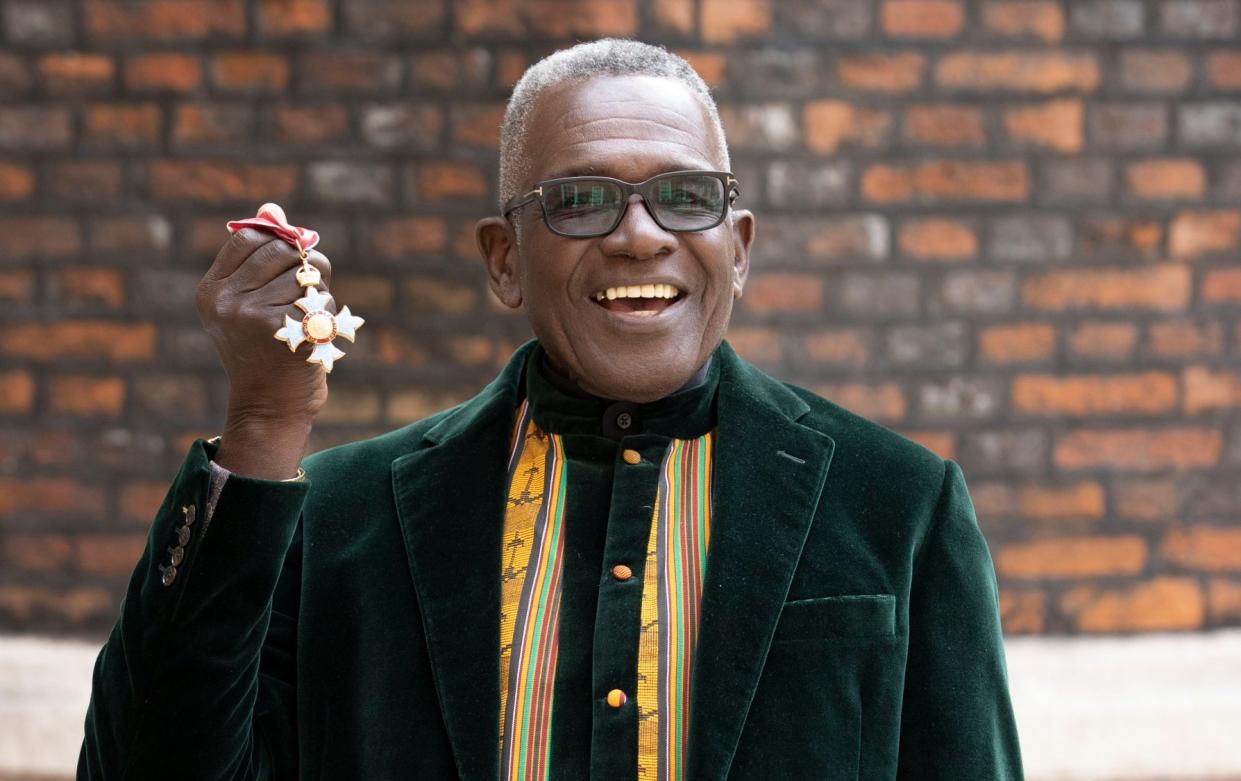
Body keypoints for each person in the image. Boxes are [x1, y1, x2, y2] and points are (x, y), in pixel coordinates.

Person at [78, 39, 1023, 779]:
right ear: (502, 258)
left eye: (684, 197)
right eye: (579, 201)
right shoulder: (342, 520)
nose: (640, 236)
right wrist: (262, 427)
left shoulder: (898, 505)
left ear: (737, 248)